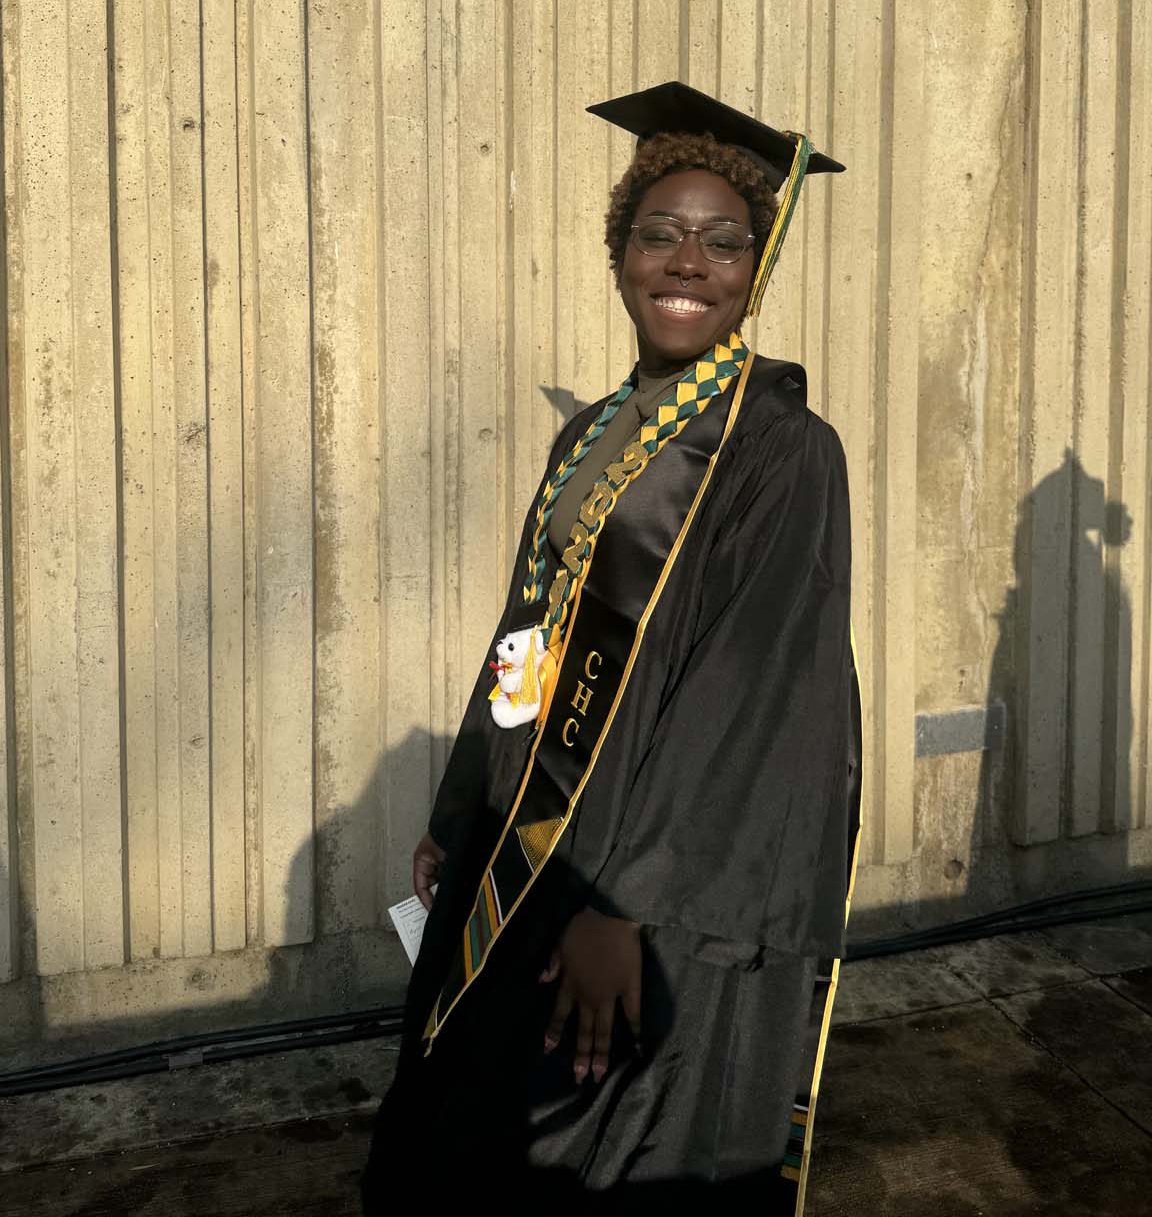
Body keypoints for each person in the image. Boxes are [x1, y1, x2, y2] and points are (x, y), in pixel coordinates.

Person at [362, 81, 861, 1213]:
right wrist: (464, 806)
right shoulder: (590, 432)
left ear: (756, 268)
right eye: (661, 234)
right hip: (527, 842)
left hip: (650, 870)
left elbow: (750, 693)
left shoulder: (782, 451)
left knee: (593, 1146)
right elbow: (526, 631)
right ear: (620, 254)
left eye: (723, 241)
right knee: (459, 1125)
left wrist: (625, 902)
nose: (689, 261)